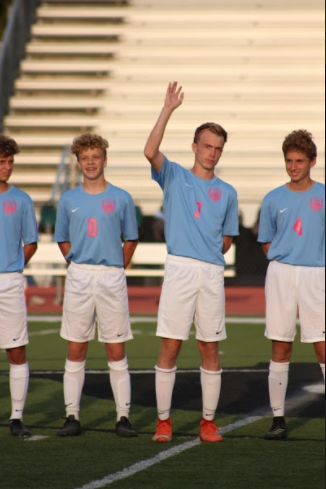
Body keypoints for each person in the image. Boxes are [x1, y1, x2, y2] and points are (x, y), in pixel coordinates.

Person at [144, 82, 239, 443]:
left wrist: (207, 254)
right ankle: (164, 422)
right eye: (207, 146)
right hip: (180, 269)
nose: (212, 153)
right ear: (195, 147)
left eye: (217, 148)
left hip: (211, 273)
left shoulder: (228, 192)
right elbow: (150, 150)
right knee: (170, 345)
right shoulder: (174, 176)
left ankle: (208, 422)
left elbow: (227, 239)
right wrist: (168, 108)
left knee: (209, 347)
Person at [54, 133, 139, 438]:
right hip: (79, 276)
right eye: (85, 158)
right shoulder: (69, 199)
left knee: (116, 349)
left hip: (111, 277)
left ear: (105, 159)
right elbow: (62, 238)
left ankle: (123, 417)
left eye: (96, 157)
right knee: (76, 348)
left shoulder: (121, 198)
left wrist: (117, 266)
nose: (91, 163)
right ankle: (72, 415)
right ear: (78, 163)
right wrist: (76, 262)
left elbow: (131, 238)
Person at [258, 130, 325, 440]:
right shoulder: (272, 198)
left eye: (300, 161)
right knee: (281, 345)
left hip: (317, 275)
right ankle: (277, 419)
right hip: (282, 274)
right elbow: (266, 243)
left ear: (312, 161)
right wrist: (284, 259)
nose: (294, 166)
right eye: (289, 161)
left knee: (322, 346)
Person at [0, 135, 38, 437]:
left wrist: (13, 264)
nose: (8, 167)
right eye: (2, 161)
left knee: (17, 351)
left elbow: (31, 243)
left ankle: (15, 418)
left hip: (10, 281)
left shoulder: (22, 199)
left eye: (10, 161)